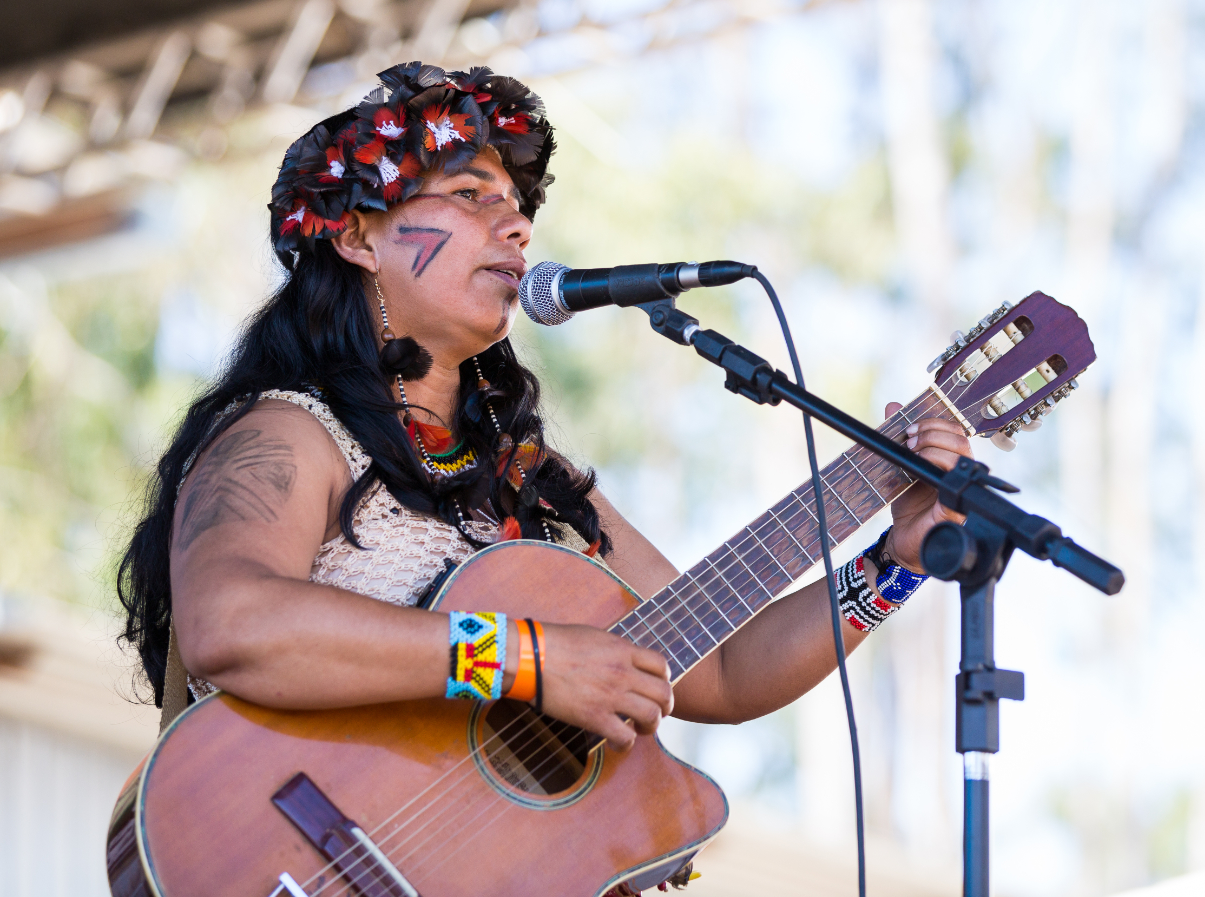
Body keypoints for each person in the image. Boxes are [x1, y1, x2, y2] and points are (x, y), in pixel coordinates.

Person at [117, 62, 971, 755]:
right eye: (469, 196)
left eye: (518, 208)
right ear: (357, 237)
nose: (517, 227)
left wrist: (895, 561)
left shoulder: (533, 479)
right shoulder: (288, 435)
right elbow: (233, 623)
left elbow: (723, 672)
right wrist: (525, 657)